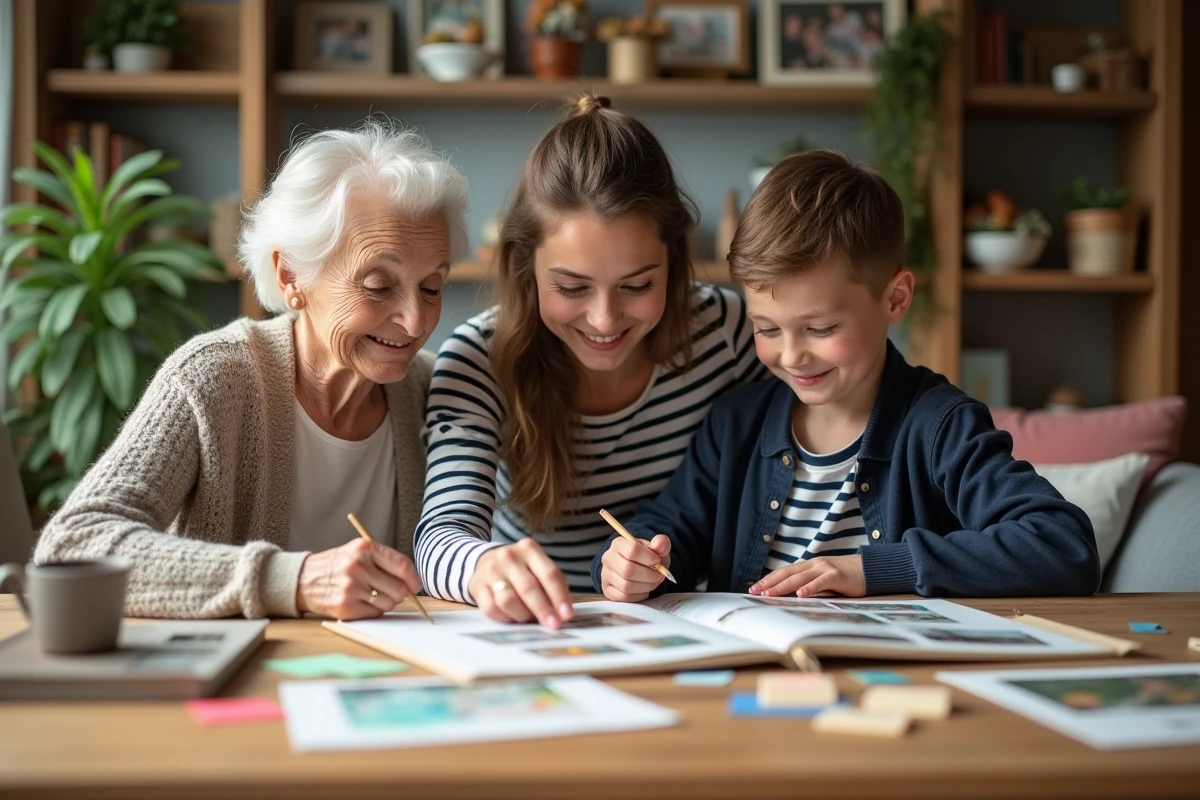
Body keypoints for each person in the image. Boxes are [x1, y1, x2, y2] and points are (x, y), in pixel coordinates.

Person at [593, 150, 1100, 602]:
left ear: (895, 298)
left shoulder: (941, 425)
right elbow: (666, 527)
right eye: (766, 328)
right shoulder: (734, 425)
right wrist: (629, 564)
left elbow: (1061, 544)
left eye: (819, 327)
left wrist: (872, 570)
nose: (791, 356)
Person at [34, 122, 470, 620]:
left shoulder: (437, 390)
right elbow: (74, 545)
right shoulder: (214, 379)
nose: (415, 321)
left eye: (432, 287)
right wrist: (293, 580)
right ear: (291, 277)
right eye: (377, 285)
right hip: (236, 685)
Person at [416, 95, 764, 627]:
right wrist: (483, 566)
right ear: (525, 267)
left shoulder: (728, 333)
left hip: (681, 624)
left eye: (637, 285)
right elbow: (440, 537)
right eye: (572, 287)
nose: (604, 319)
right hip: (538, 629)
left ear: (674, 259)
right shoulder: (478, 359)